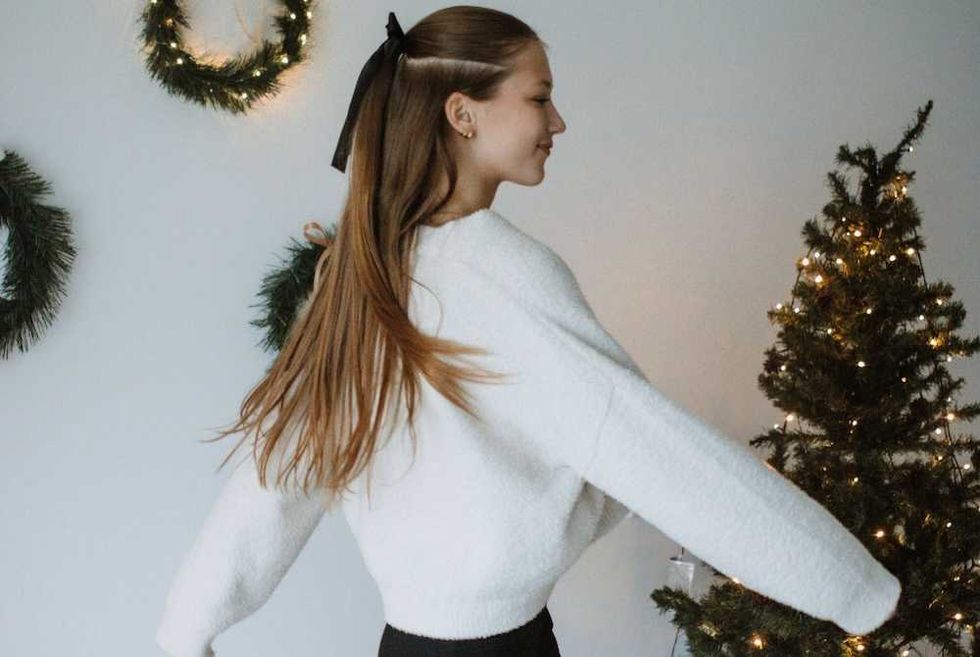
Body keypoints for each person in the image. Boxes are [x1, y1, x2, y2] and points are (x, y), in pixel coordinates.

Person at [155, 7, 901, 657]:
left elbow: (278, 470)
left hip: (402, 646)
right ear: (463, 113)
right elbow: (654, 449)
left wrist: (187, 626)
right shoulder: (500, 273)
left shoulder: (361, 271)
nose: (557, 122)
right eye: (540, 97)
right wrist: (854, 585)